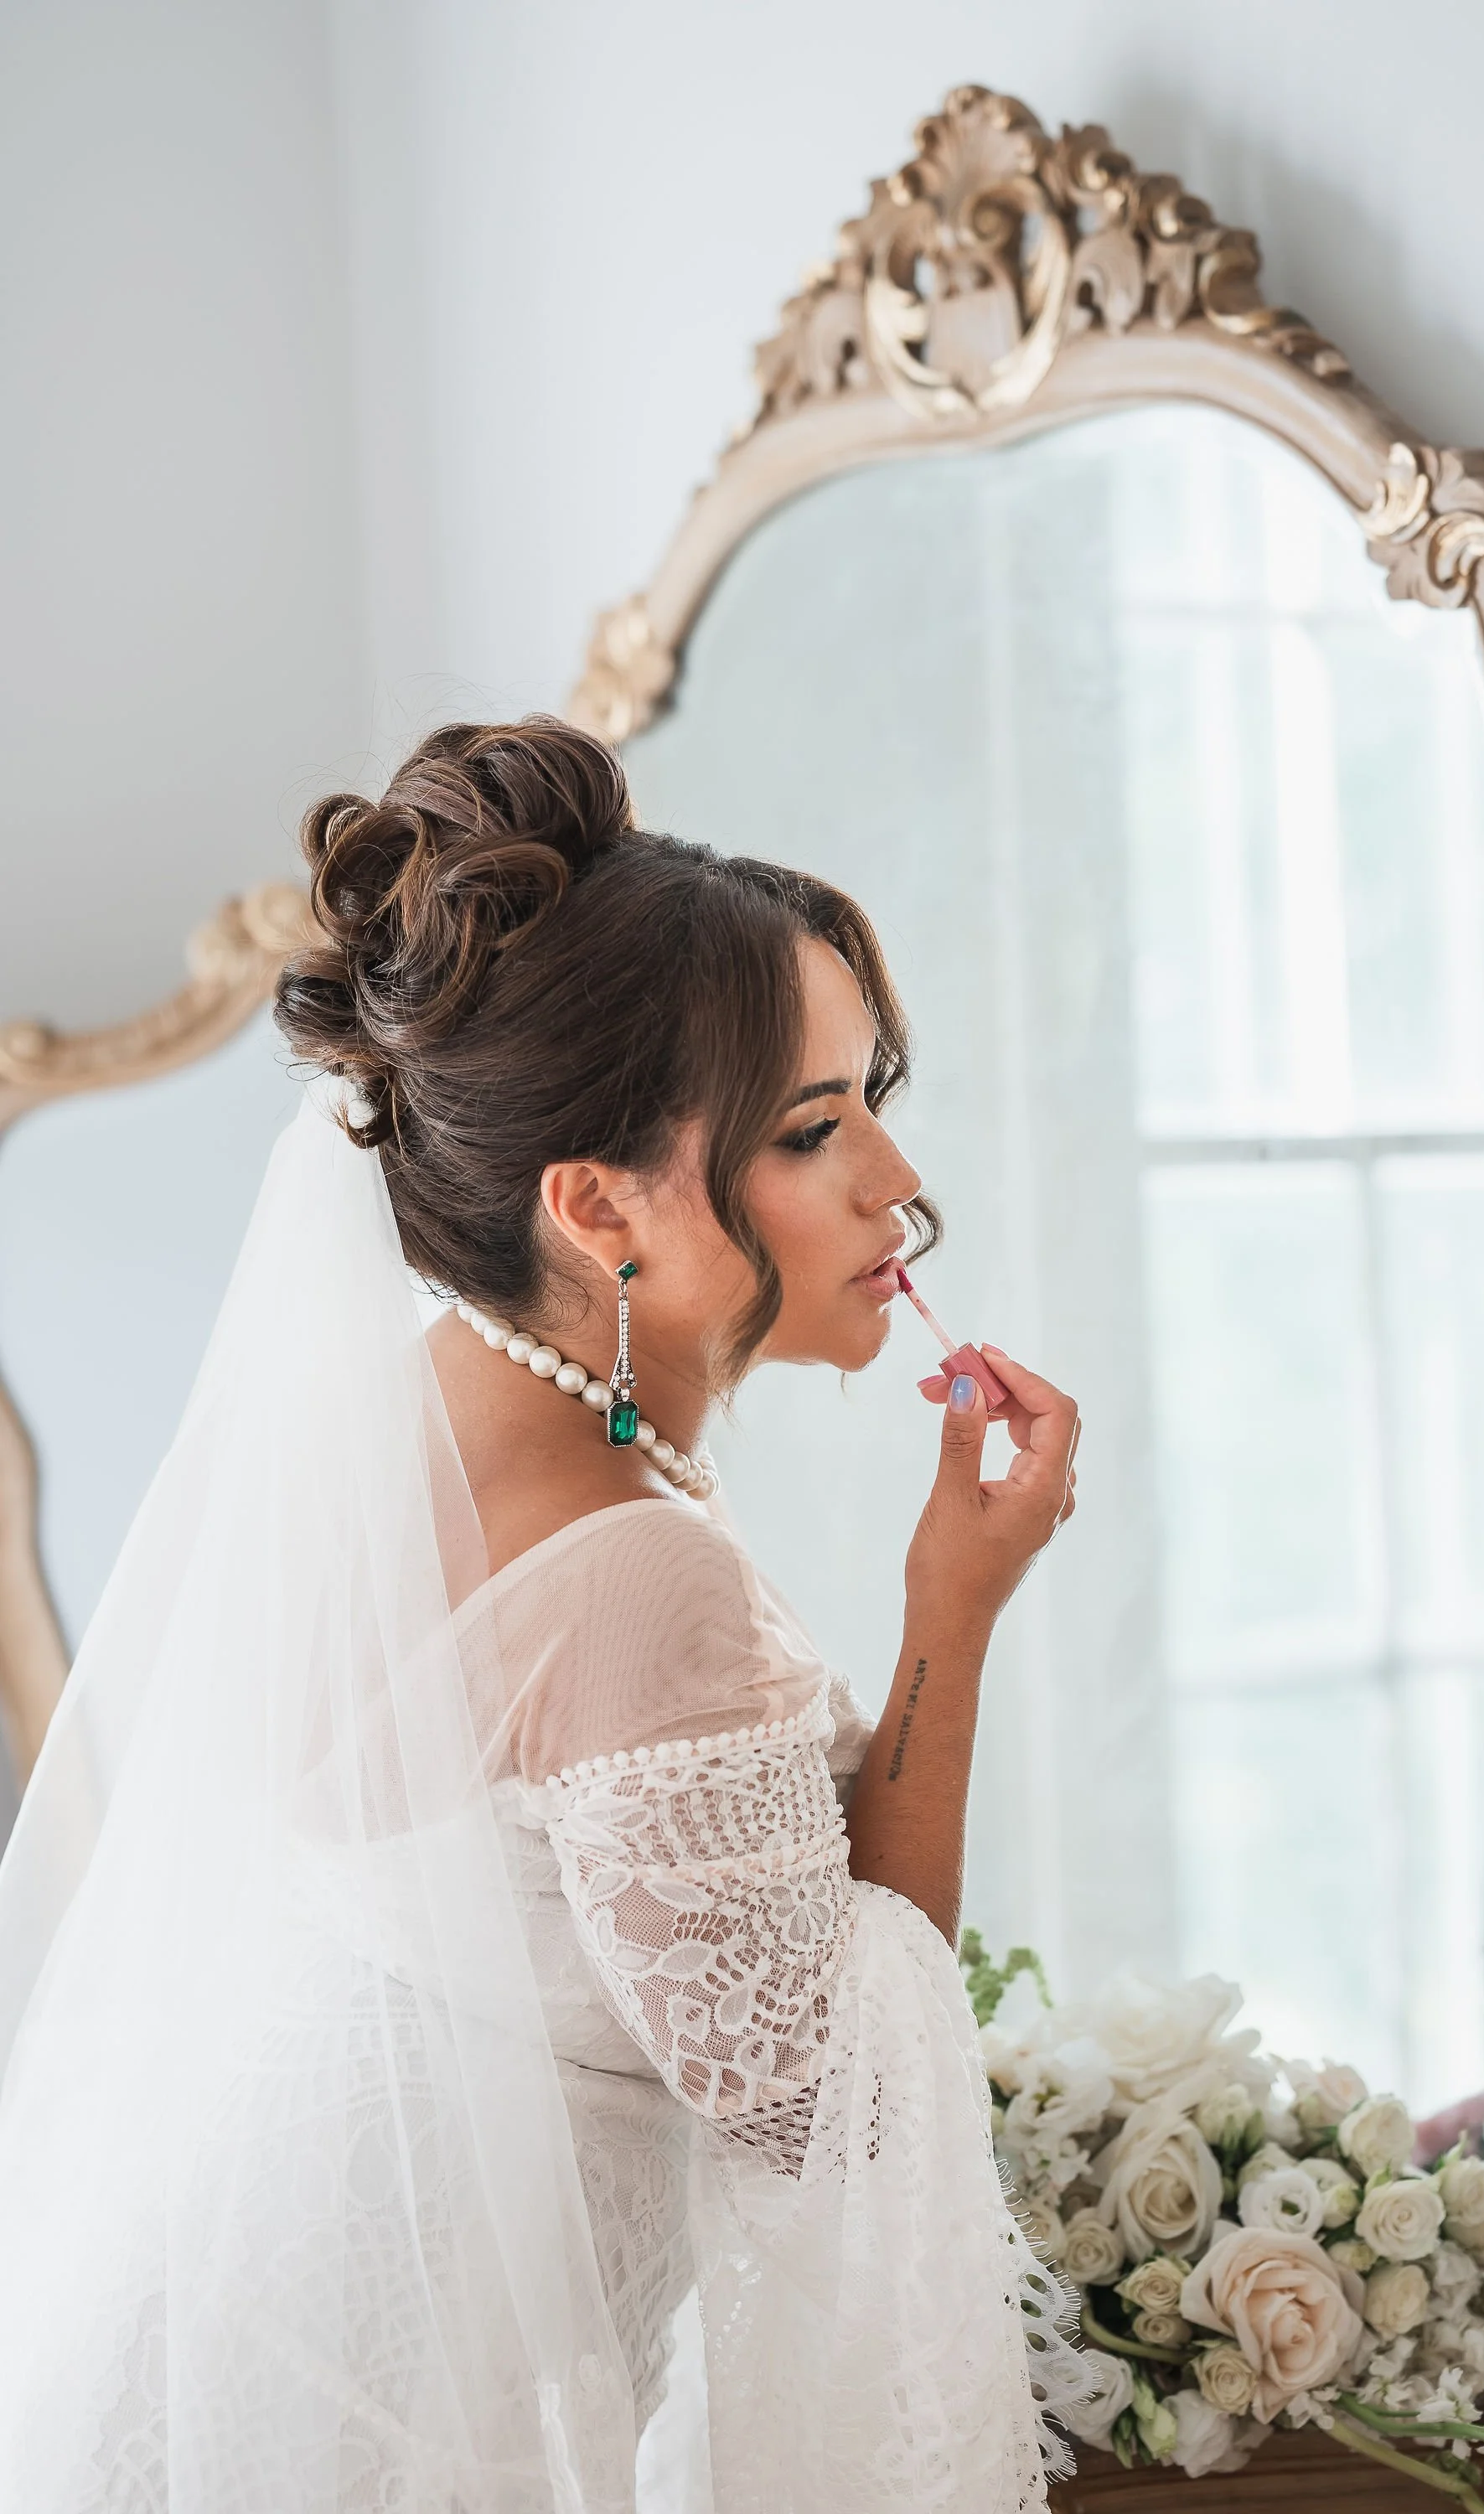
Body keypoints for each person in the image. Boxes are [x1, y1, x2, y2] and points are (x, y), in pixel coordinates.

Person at [0, 719, 1092, 2511]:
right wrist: (949, 1619)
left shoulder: (392, 1434)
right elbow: (842, 2127)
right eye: (813, 1129)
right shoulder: (637, 1573)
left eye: (871, 1100)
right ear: (595, 1206)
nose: (895, 1182)